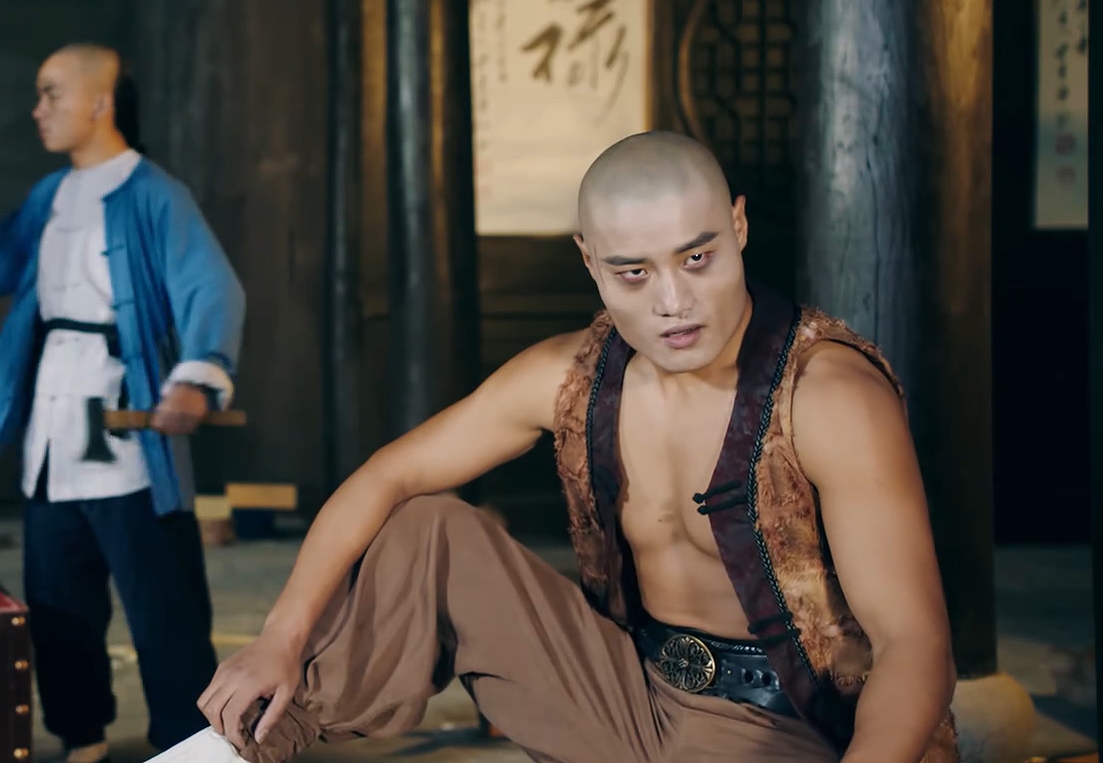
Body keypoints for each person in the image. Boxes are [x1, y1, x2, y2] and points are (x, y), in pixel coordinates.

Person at [155, 131, 960, 763]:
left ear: (739, 227)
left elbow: (913, 645)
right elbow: (389, 475)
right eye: (634, 272)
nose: (674, 301)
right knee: (430, 528)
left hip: (793, 732)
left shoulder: (826, 396)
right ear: (589, 261)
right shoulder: (569, 375)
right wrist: (280, 638)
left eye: (698, 258)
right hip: (630, 700)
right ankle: (256, 737)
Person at [0, 43, 247, 763]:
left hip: (127, 429)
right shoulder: (50, 195)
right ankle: (81, 736)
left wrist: (194, 376)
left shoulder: (155, 193)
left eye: (52, 93)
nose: (38, 109)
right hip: (56, 427)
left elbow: (210, 284)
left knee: (163, 604)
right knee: (58, 601)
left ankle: (190, 746)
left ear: (101, 102)